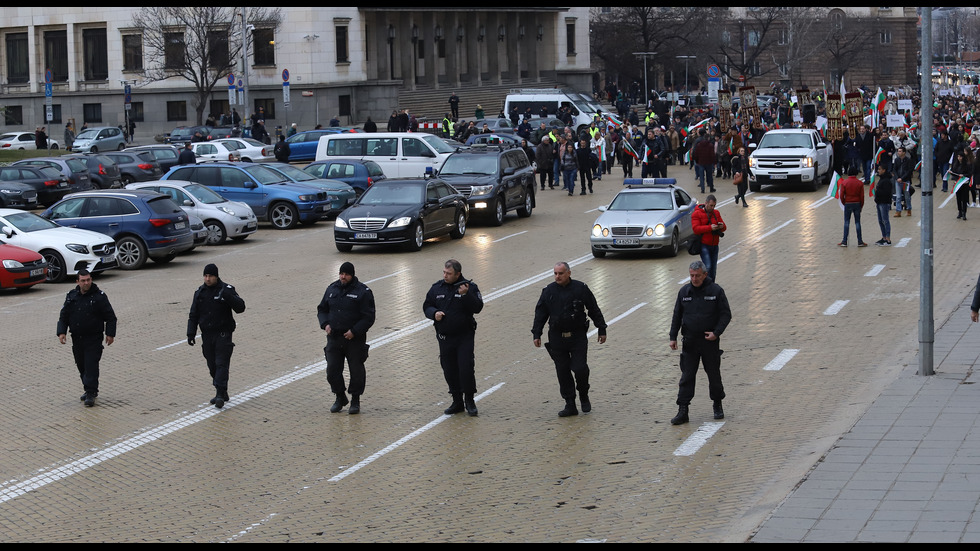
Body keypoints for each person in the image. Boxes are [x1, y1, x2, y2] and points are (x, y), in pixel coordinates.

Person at [532, 262, 607, 417]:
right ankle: (570, 404)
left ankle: (584, 394)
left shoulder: (580, 289)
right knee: (563, 371)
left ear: (569, 273)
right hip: (557, 338)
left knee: (580, 368)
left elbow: (593, 308)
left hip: (577, 336)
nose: (557, 277)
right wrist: (536, 333)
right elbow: (540, 313)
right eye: (555, 273)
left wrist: (601, 328)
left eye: (560, 273)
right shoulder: (549, 291)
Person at [668, 260, 732, 425]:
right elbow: (677, 315)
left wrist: (716, 333)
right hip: (690, 342)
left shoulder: (716, 291)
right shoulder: (684, 292)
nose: (694, 278)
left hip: (709, 342)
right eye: (691, 275)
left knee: (713, 375)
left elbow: (726, 314)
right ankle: (683, 410)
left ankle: (717, 404)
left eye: (697, 275)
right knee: (687, 376)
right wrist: (673, 337)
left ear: (705, 274)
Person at [423, 259, 484, 416]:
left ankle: (469, 401)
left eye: (449, 274)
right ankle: (457, 401)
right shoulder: (437, 288)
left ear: (458, 274)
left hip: (464, 336)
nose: (445, 276)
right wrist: (433, 314)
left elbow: (477, 307)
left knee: (465, 368)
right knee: (449, 369)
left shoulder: (469, 287)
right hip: (444, 337)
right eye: (444, 272)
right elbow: (427, 305)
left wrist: (465, 295)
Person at [317, 262, 376, 415]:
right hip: (334, 338)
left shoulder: (363, 292)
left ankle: (355, 400)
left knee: (356, 371)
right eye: (341, 273)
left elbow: (368, 317)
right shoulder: (332, 288)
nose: (343, 277)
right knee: (332, 371)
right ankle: (340, 397)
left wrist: (354, 331)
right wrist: (325, 324)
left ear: (352, 275)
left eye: (346, 274)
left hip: (354, 339)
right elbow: (322, 309)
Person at [187, 264, 246, 409]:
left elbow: (241, 308)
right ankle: (222, 390)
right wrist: (191, 332)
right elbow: (193, 314)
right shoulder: (200, 292)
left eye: (210, 276)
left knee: (221, 364)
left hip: (223, 334)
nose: (207, 279)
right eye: (205, 276)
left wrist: (228, 297)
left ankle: (220, 394)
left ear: (216, 276)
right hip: (207, 335)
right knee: (212, 365)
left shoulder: (226, 290)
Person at [57, 270, 116, 407]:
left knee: (91, 366)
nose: (86, 283)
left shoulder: (99, 297)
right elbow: (64, 315)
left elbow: (110, 317)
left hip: (93, 338)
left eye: (88, 280)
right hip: (77, 338)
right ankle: (88, 388)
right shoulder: (72, 296)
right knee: (81, 365)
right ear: (77, 282)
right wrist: (61, 332)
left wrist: (110, 334)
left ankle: (91, 392)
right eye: (83, 280)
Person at [692, 194, 726, 283]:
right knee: (708, 266)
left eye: (714, 206)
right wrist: (710, 228)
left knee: (713, 270)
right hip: (704, 245)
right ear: (706, 203)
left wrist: (721, 226)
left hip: (715, 245)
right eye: (711, 205)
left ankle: (711, 287)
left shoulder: (716, 213)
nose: (712, 208)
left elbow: (724, 227)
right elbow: (696, 229)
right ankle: (703, 285)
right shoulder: (697, 213)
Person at [838, 166, 867, 247]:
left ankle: (844, 241)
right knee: (857, 222)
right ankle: (860, 241)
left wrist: (845, 203)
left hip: (848, 203)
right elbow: (862, 196)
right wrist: (861, 205)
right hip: (857, 203)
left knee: (846, 222)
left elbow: (841, 195)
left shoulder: (844, 183)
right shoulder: (860, 183)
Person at [950, 147, 974, 221]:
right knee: (958, 198)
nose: (959, 158)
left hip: (964, 183)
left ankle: (964, 213)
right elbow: (954, 173)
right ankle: (960, 211)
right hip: (957, 183)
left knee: (964, 198)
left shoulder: (966, 165)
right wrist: (952, 173)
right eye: (958, 156)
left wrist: (964, 175)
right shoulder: (955, 165)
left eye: (960, 156)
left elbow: (969, 173)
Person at [872, 163, 893, 246]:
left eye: (880, 169)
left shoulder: (886, 181)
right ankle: (883, 237)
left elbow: (887, 192)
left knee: (885, 220)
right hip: (879, 202)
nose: (878, 171)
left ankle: (888, 238)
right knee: (880, 220)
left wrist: (877, 191)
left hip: (884, 203)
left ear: (884, 170)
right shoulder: (882, 179)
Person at [892, 146, 914, 217]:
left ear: (904, 152)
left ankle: (909, 209)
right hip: (898, 181)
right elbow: (894, 169)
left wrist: (902, 178)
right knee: (898, 197)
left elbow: (909, 171)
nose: (899, 152)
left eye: (900, 151)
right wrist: (897, 178)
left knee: (907, 196)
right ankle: (898, 211)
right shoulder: (896, 160)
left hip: (905, 181)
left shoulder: (908, 160)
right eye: (898, 151)